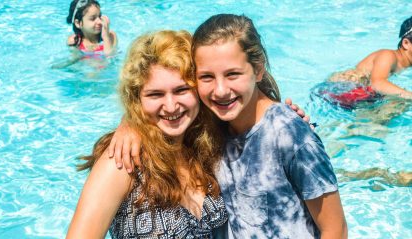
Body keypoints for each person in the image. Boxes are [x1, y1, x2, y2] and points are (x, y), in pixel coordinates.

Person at [112, 14, 347, 238]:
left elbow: (336, 230)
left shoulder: (288, 134)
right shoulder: (213, 126)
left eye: (233, 74)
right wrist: (131, 122)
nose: (221, 90)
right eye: (206, 77)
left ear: (258, 69)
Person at [66, 30, 228, 238]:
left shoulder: (205, 146)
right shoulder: (122, 161)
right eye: (155, 94)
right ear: (137, 99)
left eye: (181, 90)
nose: (171, 106)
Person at [328, 16, 412, 102]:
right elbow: (377, 83)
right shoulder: (388, 55)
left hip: (360, 94)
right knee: (401, 101)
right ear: (406, 43)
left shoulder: (405, 63)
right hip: (337, 90)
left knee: (399, 102)